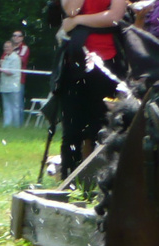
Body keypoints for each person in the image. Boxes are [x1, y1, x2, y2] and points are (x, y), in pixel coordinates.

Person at [54, 0, 128, 179]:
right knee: (72, 128)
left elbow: (113, 17)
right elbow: (71, 10)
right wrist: (76, 18)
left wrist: (78, 21)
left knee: (100, 126)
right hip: (74, 61)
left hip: (107, 62)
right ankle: (69, 180)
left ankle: (97, 181)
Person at [0, 39, 24, 127]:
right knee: (6, 107)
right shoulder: (5, 57)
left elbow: (10, 72)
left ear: (13, 47)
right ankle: (7, 125)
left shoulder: (15, 58)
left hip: (13, 86)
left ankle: (16, 126)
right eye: (5, 47)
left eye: (8, 47)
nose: (6, 48)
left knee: (15, 107)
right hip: (5, 86)